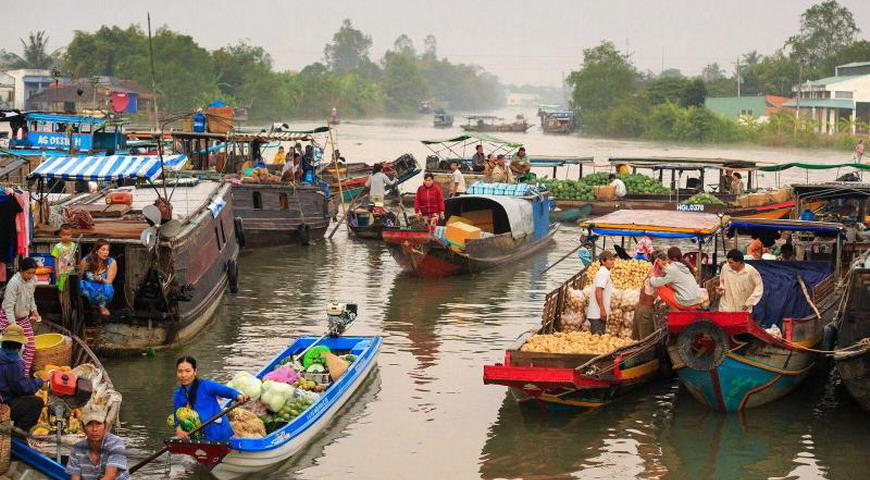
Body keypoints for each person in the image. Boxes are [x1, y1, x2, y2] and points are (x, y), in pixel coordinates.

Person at [173, 356, 248, 442]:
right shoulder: (178, 395)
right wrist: (179, 430)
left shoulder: (206, 385)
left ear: (195, 371)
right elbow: (176, 416)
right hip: (197, 436)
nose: (183, 375)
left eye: (188, 371)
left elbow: (226, 391)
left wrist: (238, 396)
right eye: (180, 371)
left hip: (217, 432)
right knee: (174, 416)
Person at [66, 404, 130, 480]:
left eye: (98, 424)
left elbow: (109, 477)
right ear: (83, 428)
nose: (94, 429)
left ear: (105, 426)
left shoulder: (116, 443)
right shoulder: (77, 449)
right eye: (89, 425)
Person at [0, 324, 44, 434]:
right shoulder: (14, 362)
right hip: (5, 402)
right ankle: (18, 435)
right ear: (19, 345)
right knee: (37, 403)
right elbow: (22, 388)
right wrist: (39, 381)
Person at [1, 257, 40, 374]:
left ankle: (24, 374)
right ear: (21, 271)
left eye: (33, 273)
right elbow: (8, 307)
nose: (31, 276)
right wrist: (13, 326)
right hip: (8, 319)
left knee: (30, 347)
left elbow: (31, 296)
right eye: (28, 273)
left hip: (23, 318)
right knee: (7, 350)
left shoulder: (33, 280)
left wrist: (34, 310)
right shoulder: (14, 283)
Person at [79, 240, 117, 317]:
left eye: (107, 250)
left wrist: (100, 279)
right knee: (79, 284)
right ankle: (89, 305)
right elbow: (79, 276)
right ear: (96, 251)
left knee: (108, 288)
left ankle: (102, 306)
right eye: (103, 250)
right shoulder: (86, 260)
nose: (106, 252)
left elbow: (109, 281)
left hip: (102, 287)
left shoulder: (111, 262)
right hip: (88, 287)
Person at [586, 251, 615, 335]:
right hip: (597, 315)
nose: (613, 261)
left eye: (613, 259)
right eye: (610, 259)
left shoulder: (605, 272)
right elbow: (598, 291)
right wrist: (602, 310)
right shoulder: (603, 273)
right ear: (603, 261)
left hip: (597, 314)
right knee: (597, 340)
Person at [52, 224, 78, 291]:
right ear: (60, 234)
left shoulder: (73, 245)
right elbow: (56, 259)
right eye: (64, 235)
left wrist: (74, 265)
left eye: (68, 235)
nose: (66, 237)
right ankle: (61, 301)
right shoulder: (57, 246)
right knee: (61, 289)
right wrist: (57, 271)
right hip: (61, 272)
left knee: (70, 288)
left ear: (71, 235)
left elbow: (74, 256)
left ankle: (69, 301)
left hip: (71, 271)